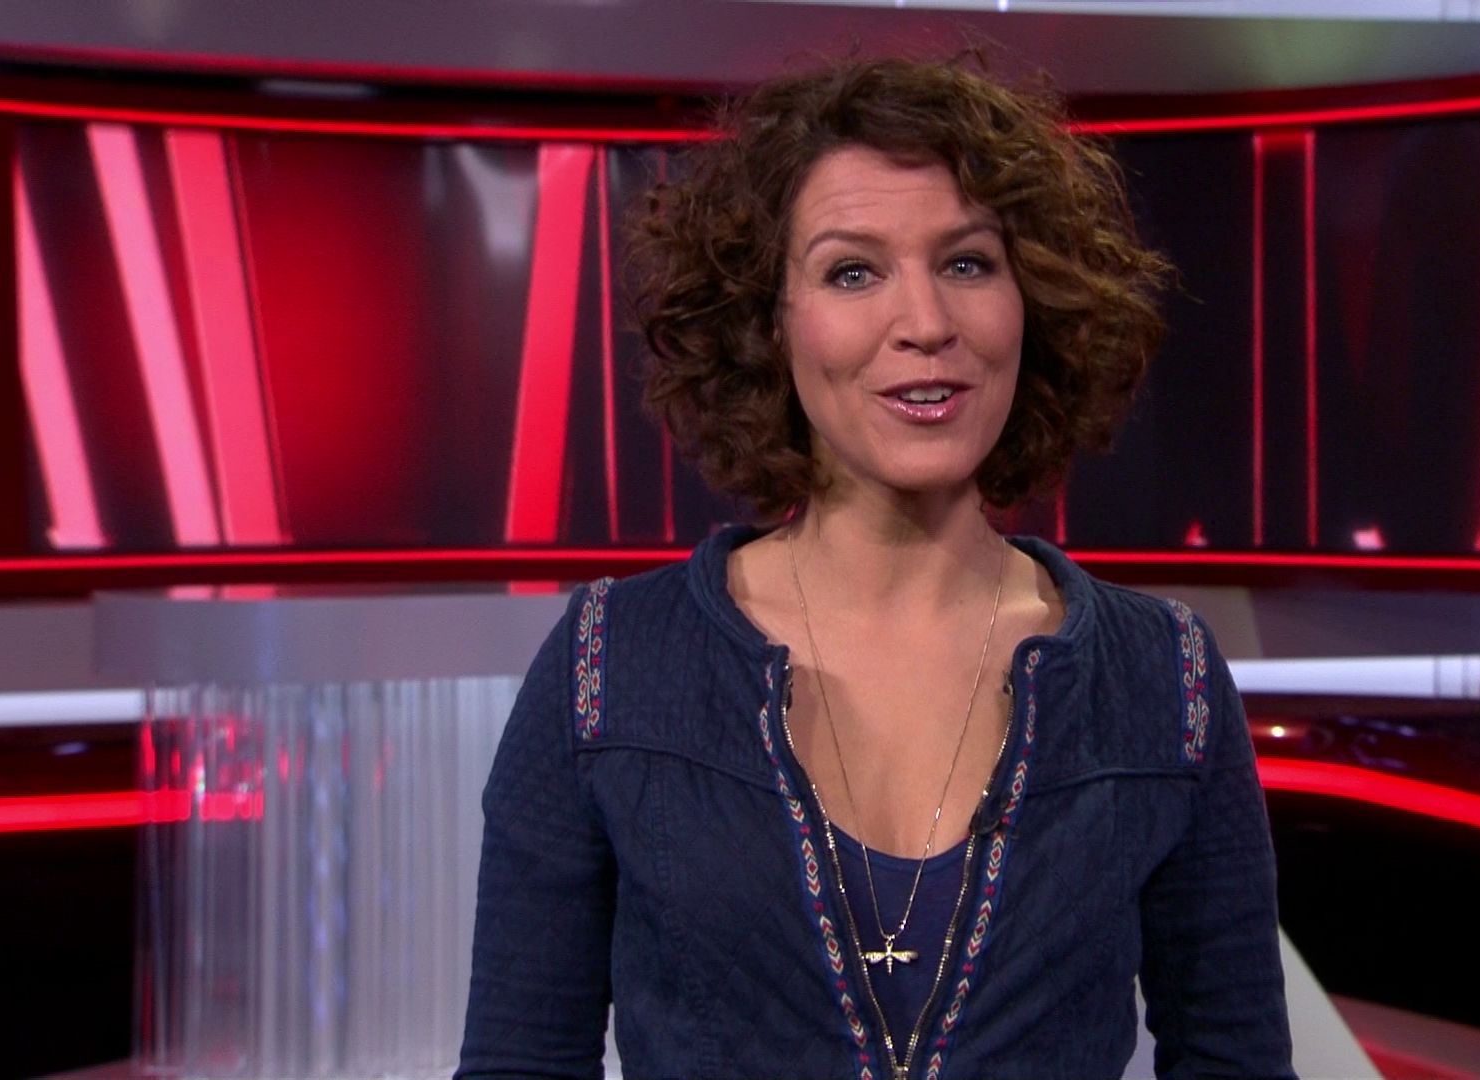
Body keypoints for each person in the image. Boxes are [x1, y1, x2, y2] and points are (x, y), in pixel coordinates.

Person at [458, 56, 1292, 1080]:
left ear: (1032, 301)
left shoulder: (1165, 676)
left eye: (968, 264)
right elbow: (519, 1062)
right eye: (853, 272)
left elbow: (1236, 1062)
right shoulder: (608, 668)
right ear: (769, 319)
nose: (926, 324)